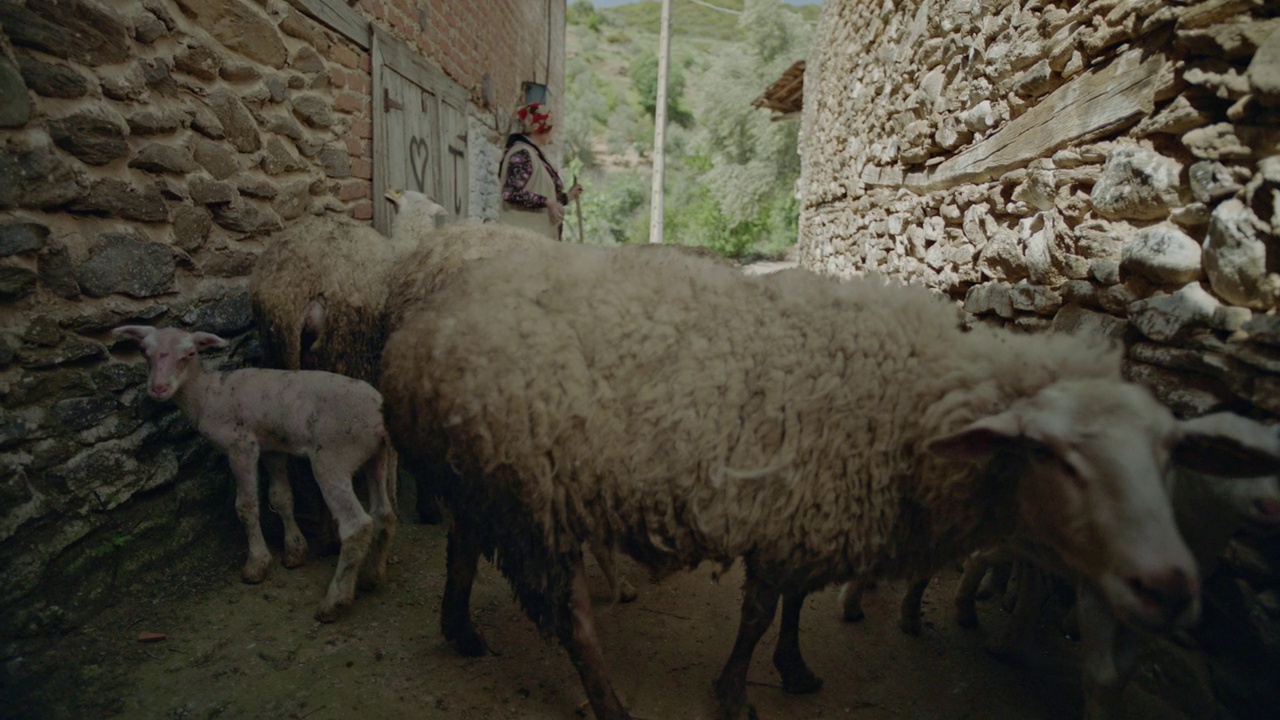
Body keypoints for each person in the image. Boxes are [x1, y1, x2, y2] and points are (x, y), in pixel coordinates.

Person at [498, 101, 582, 240]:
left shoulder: (533, 154)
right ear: (542, 129)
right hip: (523, 241)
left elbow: (538, 192)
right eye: (550, 128)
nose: (552, 133)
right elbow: (510, 193)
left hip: (535, 240)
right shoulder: (523, 154)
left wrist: (568, 197)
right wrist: (547, 202)